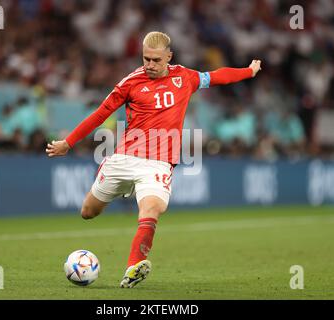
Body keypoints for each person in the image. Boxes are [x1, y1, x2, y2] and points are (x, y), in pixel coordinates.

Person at [46, 31, 261, 288]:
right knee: (88, 212)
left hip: (158, 164)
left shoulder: (185, 77)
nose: (150, 64)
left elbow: (217, 77)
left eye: (156, 60)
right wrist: (68, 143)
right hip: (124, 159)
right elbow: (100, 114)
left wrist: (248, 71)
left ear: (168, 57)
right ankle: (114, 202)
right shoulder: (130, 83)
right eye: (146, 59)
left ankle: (133, 267)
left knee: (152, 210)